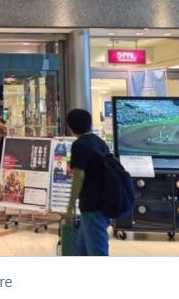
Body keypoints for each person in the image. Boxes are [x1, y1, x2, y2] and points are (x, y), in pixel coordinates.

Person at [65, 108, 111, 256]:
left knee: (97, 253)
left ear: (71, 127)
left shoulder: (79, 145)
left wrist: (70, 207)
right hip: (106, 201)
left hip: (93, 206)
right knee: (82, 250)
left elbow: (79, 177)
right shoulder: (99, 142)